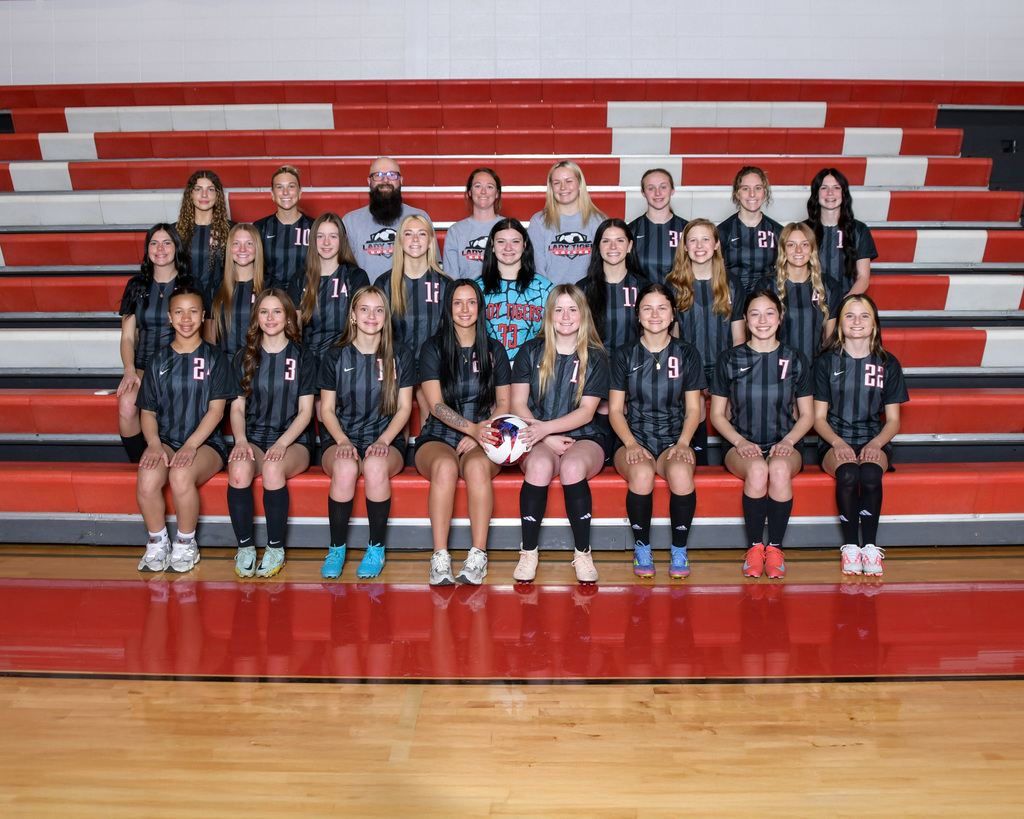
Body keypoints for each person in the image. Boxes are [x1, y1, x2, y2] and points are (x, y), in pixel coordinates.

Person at [710, 289, 814, 580]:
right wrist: (740, 442)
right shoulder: (729, 359)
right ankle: (756, 547)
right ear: (745, 319)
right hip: (740, 444)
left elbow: (808, 415)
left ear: (780, 318)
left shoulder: (795, 359)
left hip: (784, 442)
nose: (762, 319)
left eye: (769, 312)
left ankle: (776, 548)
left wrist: (789, 441)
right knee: (757, 470)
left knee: (778, 469)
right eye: (754, 313)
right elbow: (717, 415)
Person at [510, 284, 610, 584]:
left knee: (572, 466)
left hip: (585, 435)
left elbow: (587, 412)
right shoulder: (530, 350)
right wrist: (542, 435)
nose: (565, 316)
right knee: (540, 466)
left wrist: (546, 429)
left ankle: (582, 553)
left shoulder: (596, 355)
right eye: (559, 309)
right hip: (536, 433)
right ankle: (528, 551)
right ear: (549, 314)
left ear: (583, 314)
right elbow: (516, 403)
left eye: (572, 309)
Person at [415, 279, 512, 586]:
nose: (465, 309)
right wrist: (470, 429)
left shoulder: (495, 349)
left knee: (478, 467)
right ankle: (440, 557)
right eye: (458, 302)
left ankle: (478, 554)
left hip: (484, 435)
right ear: (448, 307)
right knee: (444, 467)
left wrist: (479, 435)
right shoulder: (433, 348)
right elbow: (436, 406)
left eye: (471, 302)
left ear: (480, 308)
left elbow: (505, 404)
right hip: (440, 437)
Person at [135, 285, 234, 573]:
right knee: (147, 477)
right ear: (169, 317)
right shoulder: (157, 360)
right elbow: (148, 412)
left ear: (203, 316)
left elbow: (216, 411)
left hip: (205, 444)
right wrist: (153, 444)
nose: (186, 318)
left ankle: (185, 543)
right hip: (165, 439)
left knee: (180, 475)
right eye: (179, 311)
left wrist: (191, 446)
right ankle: (157, 542)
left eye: (193, 311)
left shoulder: (216, 358)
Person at [318, 285, 414, 580]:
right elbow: (327, 410)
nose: (371, 316)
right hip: (342, 437)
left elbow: (405, 408)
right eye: (364, 309)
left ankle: (376, 549)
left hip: (387, 438)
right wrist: (342, 440)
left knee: (373, 466)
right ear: (353, 316)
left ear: (386, 317)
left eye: (378, 310)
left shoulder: (401, 355)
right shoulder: (335, 356)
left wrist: (384, 440)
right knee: (345, 467)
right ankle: (336, 549)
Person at [608, 283, 705, 579]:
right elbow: (614, 410)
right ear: (637, 314)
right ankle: (642, 547)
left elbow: (694, 409)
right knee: (641, 473)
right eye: (647, 308)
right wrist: (631, 444)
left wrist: (684, 443)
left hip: (674, 439)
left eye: (662, 308)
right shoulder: (624, 354)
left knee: (680, 472)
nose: (655, 314)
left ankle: (679, 549)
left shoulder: (687, 353)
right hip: (634, 437)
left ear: (673, 314)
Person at [813, 294, 908, 577]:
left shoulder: (888, 363)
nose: (857, 322)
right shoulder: (826, 362)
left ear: (875, 324)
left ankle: (870, 548)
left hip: (872, 438)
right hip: (834, 438)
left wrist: (876, 444)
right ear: (840, 324)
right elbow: (818, 418)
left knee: (868, 474)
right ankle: (851, 547)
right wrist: (838, 443)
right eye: (850, 316)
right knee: (849, 475)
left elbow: (893, 421)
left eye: (864, 316)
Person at [227, 289, 316, 579]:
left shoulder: (303, 356)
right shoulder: (244, 356)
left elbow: (306, 412)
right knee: (239, 469)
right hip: (253, 437)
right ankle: (245, 547)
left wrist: (281, 443)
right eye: (264, 312)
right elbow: (237, 409)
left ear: (289, 316)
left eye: (277, 311)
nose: (270, 317)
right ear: (256, 318)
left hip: (293, 441)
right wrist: (241, 441)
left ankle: (275, 547)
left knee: (273, 466)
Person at [665, 219, 745, 464]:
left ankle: (729, 460)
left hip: (724, 365)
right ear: (685, 247)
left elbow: (739, 337)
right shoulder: (674, 284)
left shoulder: (731, 283)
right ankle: (695, 459)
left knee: (731, 406)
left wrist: (726, 378)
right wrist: (692, 378)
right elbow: (673, 339)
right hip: (689, 367)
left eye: (706, 239)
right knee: (694, 409)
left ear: (717, 244)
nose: (700, 246)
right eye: (693, 240)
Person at [117, 224, 194, 463]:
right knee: (127, 405)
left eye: (167, 243)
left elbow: (205, 334)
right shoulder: (136, 286)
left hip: (180, 364)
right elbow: (128, 337)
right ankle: (140, 463)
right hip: (143, 365)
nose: (160, 248)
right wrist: (130, 371)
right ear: (147, 249)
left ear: (176, 248)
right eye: (154, 243)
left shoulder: (190, 284)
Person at [374, 214, 451, 426]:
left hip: (434, 367)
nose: (415, 239)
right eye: (408, 234)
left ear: (430, 242)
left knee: (430, 409)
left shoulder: (446, 285)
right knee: (394, 416)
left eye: (421, 233)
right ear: (399, 241)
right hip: (395, 366)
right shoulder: (384, 284)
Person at [289, 212, 370, 372]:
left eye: (333, 236)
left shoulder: (356, 277)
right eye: (320, 236)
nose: (326, 242)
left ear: (343, 239)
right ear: (313, 240)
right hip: (309, 363)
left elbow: (363, 324)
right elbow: (294, 330)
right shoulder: (299, 279)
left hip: (347, 361)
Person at [755, 222, 840, 366]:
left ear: (812, 249)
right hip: (775, 367)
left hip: (815, 368)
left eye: (805, 244)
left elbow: (830, 341)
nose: (799, 250)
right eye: (791, 245)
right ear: (783, 249)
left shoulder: (828, 286)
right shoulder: (767, 285)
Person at [342, 156, 435, 280]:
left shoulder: (420, 218)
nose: (385, 180)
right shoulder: (350, 222)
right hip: (367, 297)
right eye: (378, 175)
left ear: (401, 180)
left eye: (392, 175)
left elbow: (432, 266)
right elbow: (344, 271)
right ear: (369, 181)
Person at [476, 217, 552, 359]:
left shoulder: (545, 289)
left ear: (525, 245)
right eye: (501, 242)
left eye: (515, 241)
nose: (508, 248)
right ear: (492, 245)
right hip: (487, 370)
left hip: (532, 369)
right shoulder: (476, 288)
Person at [577, 218, 651, 356]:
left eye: (620, 240)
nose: (613, 246)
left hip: (633, 368)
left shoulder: (644, 288)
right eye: (606, 241)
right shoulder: (582, 289)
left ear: (629, 246)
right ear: (598, 247)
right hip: (594, 369)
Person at [527, 160, 607, 285]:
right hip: (552, 298)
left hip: (588, 298)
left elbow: (604, 267)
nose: (563, 187)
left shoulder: (598, 221)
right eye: (557, 183)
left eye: (569, 181)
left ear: (580, 183)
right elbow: (537, 270)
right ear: (551, 188)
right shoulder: (539, 222)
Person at [805, 167, 877, 296]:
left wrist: (844, 304)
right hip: (809, 303)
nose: (830, 193)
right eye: (824, 188)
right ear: (816, 193)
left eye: (837, 188)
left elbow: (863, 277)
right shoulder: (803, 230)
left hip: (845, 300)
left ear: (844, 193)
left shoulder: (859, 230)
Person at [717, 166, 785, 293]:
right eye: (745, 188)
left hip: (766, 301)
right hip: (731, 301)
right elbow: (715, 273)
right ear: (737, 193)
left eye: (758, 188)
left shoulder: (777, 232)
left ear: (765, 192)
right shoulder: (723, 231)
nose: (752, 194)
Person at [205, 223, 264, 362]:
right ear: (229, 249)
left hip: (261, 364)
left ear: (257, 248)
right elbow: (209, 339)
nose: (242, 249)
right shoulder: (214, 288)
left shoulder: (270, 287)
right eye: (236, 243)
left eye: (249, 243)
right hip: (226, 366)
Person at [253, 165, 314, 291]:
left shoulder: (314, 227)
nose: (285, 192)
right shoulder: (260, 228)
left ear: (300, 192)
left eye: (291, 186)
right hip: (271, 298)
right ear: (272, 193)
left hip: (306, 298)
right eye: (279, 187)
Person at [627, 168, 687, 283]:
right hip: (642, 298)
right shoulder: (631, 231)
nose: (657, 193)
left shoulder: (687, 230)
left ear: (672, 190)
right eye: (651, 188)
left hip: (680, 299)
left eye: (663, 187)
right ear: (643, 193)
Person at [175, 169, 231, 294]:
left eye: (210, 190)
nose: (204, 195)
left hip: (220, 301)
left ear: (218, 195)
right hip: (185, 300)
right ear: (190, 194)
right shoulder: (175, 231)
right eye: (198, 189)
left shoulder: (231, 230)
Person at [442, 167, 503, 279]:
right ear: (469, 192)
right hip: (467, 295)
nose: (483, 191)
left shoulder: (509, 228)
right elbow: (451, 278)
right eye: (478, 186)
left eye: (489, 187)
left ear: (497, 193)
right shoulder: (456, 231)